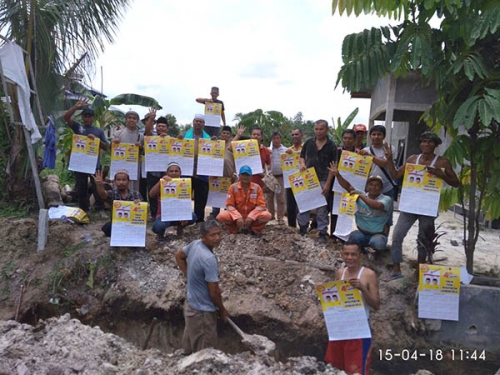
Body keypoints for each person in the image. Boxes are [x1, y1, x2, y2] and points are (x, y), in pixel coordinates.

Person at [384, 131, 460, 281]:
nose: (426, 144)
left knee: (424, 239)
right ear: (420, 143)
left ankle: (419, 270)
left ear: (436, 145)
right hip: (410, 204)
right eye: (424, 141)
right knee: (397, 235)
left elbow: (456, 183)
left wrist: (441, 174)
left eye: (430, 142)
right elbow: (395, 175)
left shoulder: (442, 162)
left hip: (427, 206)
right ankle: (396, 267)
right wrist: (389, 160)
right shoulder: (413, 159)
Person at [324, 240, 380, 375]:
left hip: (359, 329)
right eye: (346, 254)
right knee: (334, 367)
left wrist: (362, 288)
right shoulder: (340, 273)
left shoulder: (368, 275)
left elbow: (376, 305)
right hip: (340, 327)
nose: (350, 258)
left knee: (356, 369)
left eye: (353, 254)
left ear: (360, 256)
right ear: (342, 255)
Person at [174, 220, 228, 354]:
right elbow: (214, 292)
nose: (217, 238)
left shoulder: (195, 245)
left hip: (191, 307)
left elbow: (179, 256)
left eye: (218, 234)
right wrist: (222, 310)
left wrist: (190, 275)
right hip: (202, 314)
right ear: (203, 238)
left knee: (188, 352)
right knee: (205, 356)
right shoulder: (209, 259)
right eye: (212, 235)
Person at [329, 162, 393, 259]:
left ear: (381, 188)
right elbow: (347, 186)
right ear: (367, 187)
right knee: (352, 238)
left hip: (378, 235)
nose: (373, 187)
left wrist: (360, 195)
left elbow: (376, 205)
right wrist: (337, 175)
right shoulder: (361, 195)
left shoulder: (386, 199)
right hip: (362, 233)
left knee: (378, 243)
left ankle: (378, 254)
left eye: (377, 185)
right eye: (371, 184)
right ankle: (363, 251)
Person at [64, 101, 109, 213]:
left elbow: (105, 147)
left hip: (94, 164)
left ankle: (100, 208)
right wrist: (75, 107)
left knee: (97, 186)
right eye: (85, 116)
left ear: (93, 118)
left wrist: (96, 140)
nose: (88, 119)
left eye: (90, 116)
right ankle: (84, 209)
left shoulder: (98, 131)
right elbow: (66, 117)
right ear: (83, 117)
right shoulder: (78, 127)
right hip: (80, 163)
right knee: (81, 187)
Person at [298, 120, 337, 244]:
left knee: (322, 208)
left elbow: (333, 167)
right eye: (316, 129)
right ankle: (303, 228)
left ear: (327, 130)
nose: (318, 131)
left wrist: (328, 184)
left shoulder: (332, 146)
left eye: (321, 129)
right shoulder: (309, 142)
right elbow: (302, 156)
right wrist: (303, 164)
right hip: (308, 178)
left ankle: (322, 232)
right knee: (304, 205)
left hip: (323, 179)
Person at [216, 165, 272, 237]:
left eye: (247, 175)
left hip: (252, 218)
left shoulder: (257, 188)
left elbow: (261, 206)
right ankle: (234, 231)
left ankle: (254, 230)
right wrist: (237, 217)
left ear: (251, 177)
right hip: (236, 218)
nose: (245, 177)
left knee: (267, 215)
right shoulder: (233, 187)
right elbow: (229, 205)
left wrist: (251, 217)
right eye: (243, 175)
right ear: (239, 176)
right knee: (221, 216)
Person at [150, 162, 197, 241]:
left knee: (193, 217)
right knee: (157, 227)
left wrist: (184, 216)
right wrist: (160, 182)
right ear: (167, 173)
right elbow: (151, 194)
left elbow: (185, 202)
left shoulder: (184, 184)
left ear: (180, 173)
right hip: (164, 215)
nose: (174, 173)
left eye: (176, 171)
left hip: (179, 215)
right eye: (171, 171)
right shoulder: (163, 183)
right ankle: (160, 234)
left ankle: (180, 228)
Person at [181, 114, 213, 222]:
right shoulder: (184, 136)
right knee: (184, 198)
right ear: (193, 122)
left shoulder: (208, 138)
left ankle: (199, 221)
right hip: (187, 173)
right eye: (196, 121)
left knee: (201, 199)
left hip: (202, 174)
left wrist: (214, 143)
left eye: (201, 122)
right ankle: (183, 222)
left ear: (204, 124)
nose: (198, 123)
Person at [94, 169, 143, 237]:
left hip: (132, 224)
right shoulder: (113, 194)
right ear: (114, 181)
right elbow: (103, 194)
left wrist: (139, 205)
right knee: (106, 228)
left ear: (128, 181)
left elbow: (142, 212)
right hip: (117, 223)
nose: (121, 182)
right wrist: (99, 185)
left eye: (124, 180)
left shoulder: (136, 194)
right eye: (118, 180)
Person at [330, 129, 358, 239]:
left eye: (350, 138)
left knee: (348, 212)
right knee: (335, 211)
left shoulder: (359, 154)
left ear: (354, 140)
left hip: (351, 187)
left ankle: (344, 236)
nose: (347, 140)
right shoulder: (336, 152)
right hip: (336, 185)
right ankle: (333, 235)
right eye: (345, 138)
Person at [112, 110, 144, 192]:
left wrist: (140, 147)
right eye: (129, 118)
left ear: (137, 121)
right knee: (119, 185)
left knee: (134, 187)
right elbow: (110, 148)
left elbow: (144, 152)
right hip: (120, 164)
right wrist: (113, 143)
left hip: (134, 166)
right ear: (126, 120)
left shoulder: (140, 136)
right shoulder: (118, 133)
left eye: (134, 118)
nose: (131, 120)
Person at [266, 131, 287, 225]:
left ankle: (280, 217)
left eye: (278, 138)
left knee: (281, 198)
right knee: (269, 197)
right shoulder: (267, 150)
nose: (276, 140)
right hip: (270, 176)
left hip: (280, 176)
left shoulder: (286, 150)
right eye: (274, 138)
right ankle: (270, 215)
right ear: (272, 139)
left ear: (280, 139)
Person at [285, 128, 303, 227]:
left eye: (297, 134)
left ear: (301, 135)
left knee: (302, 205)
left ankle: (303, 227)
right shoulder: (288, 150)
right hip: (290, 181)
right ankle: (291, 227)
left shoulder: (306, 148)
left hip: (303, 180)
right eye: (293, 135)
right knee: (290, 205)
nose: (295, 136)